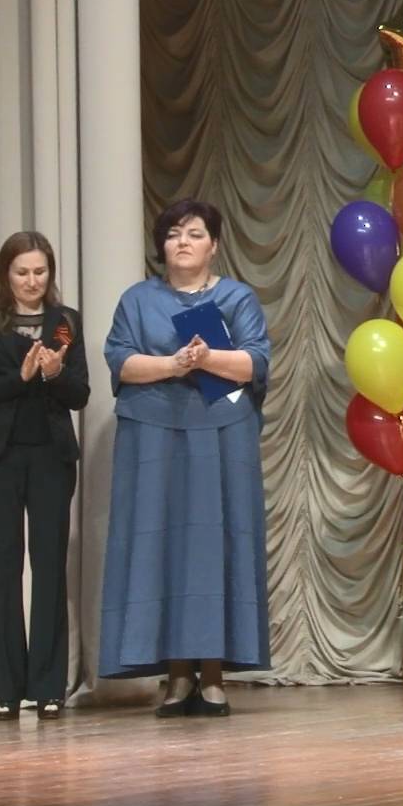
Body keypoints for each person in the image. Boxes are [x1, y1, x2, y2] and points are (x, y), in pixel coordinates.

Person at [99, 199, 272, 716]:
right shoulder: (138, 299)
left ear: (213, 245)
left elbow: (255, 362)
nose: (183, 242)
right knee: (162, 546)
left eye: (195, 234)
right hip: (154, 434)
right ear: (161, 244)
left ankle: (213, 675)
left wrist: (207, 357)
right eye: (174, 233)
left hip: (222, 432)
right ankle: (176, 675)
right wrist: (174, 364)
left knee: (216, 545)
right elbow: (120, 361)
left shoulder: (237, 297)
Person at [0, 231, 90, 720]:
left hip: (51, 457)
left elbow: (80, 395)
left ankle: (49, 686)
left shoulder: (65, 323)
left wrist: (54, 373)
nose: (32, 281)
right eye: (22, 272)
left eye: (40, 271)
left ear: (50, 273)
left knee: (49, 567)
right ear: (5, 274)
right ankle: (7, 688)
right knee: (4, 567)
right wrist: (21, 378)